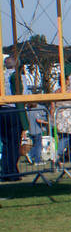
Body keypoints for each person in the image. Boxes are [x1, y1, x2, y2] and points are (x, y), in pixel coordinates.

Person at [1, 53, 22, 181]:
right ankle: (12, 171)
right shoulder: (17, 77)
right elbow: (23, 94)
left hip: (2, 110)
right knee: (14, 142)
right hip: (14, 110)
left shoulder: (2, 77)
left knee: (6, 142)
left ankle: (5, 171)